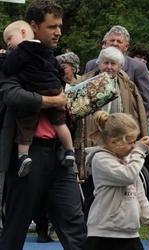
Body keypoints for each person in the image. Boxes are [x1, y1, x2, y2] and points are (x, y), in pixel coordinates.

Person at [0, 1, 87, 249]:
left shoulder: (51, 59)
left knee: (76, 229)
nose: (58, 31)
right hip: (28, 155)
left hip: (60, 155)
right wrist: (53, 100)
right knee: (15, 229)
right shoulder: (10, 59)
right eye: (52, 26)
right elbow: (12, 96)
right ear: (33, 27)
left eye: (60, 26)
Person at [75, 46, 149, 221]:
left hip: (120, 143)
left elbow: (139, 111)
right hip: (92, 142)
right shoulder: (85, 83)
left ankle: (115, 220)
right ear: (99, 64)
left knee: (119, 184)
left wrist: (143, 137)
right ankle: (91, 224)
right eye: (105, 62)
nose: (109, 66)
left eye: (113, 63)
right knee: (91, 188)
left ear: (120, 66)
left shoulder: (128, 85)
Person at [1, 20, 75, 177]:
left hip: (35, 90)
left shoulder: (20, 51)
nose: (8, 44)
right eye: (53, 27)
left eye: (9, 39)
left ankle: (23, 156)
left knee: (25, 125)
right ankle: (70, 151)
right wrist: (58, 91)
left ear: (22, 33)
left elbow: (9, 67)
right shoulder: (47, 51)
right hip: (54, 90)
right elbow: (59, 71)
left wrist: (3, 58)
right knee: (60, 123)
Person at [84, 111, 149, 250]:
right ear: (113, 142)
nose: (134, 146)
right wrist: (139, 151)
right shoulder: (100, 159)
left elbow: (139, 195)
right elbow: (127, 176)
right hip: (104, 234)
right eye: (131, 142)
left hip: (130, 233)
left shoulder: (129, 160)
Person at [85, 25, 149, 115]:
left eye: (119, 41)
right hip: (95, 122)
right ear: (106, 43)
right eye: (112, 40)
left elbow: (146, 102)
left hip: (126, 124)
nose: (115, 43)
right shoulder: (91, 65)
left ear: (126, 46)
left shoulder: (138, 67)